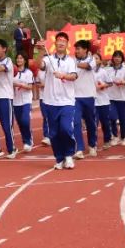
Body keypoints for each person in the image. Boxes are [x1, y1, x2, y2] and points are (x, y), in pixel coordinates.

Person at [37, 33, 78, 170]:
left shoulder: (70, 61)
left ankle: (69, 155)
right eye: (58, 41)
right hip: (50, 101)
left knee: (66, 129)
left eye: (63, 41)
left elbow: (74, 76)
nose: (61, 43)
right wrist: (41, 51)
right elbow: (39, 65)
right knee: (53, 133)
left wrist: (63, 75)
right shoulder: (48, 59)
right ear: (55, 43)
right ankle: (59, 158)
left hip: (67, 102)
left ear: (67, 44)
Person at [72, 40, 98, 158]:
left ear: (85, 50)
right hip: (75, 97)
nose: (76, 51)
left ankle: (92, 144)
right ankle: (79, 148)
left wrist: (73, 64)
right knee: (76, 122)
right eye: (76, 49)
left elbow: (87, 66)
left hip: (89, 96)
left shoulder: (91, 59)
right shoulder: (72, 60)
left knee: (90, 122)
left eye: (79, 49)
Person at [105, 51, 125, 148]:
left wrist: (122, 82)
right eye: (115, 56)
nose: (117, 58)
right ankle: (115, 136)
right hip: (110, 97)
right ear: (112, 58)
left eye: (119, 57)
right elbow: (106, 82)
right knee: (112, 117)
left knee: (122, 119)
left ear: (122, 59)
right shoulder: (108, 70)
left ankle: (123, 137)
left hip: (122, 97)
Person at [12, 53, 35, 152]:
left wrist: (20, 85)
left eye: (21, 58)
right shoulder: (12, 72)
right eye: (17, 58)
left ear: (25, 60)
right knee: (20, 123)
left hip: (26, 100)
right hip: (15, 101)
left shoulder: (28, 73)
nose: (19, 60)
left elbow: (30, 87)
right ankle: (25, 140)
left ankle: (28, 141)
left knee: (25, 121)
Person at [93, 53, 115, 150]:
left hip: (103, 101)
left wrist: (102, 85)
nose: (94, 60)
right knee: (93, 123)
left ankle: (107, 140)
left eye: (96, 58)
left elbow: (110, 83)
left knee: (105, 122)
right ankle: (93, 143)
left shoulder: (103, 71)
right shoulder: (88, 71)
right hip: (93, 101)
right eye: (93, 58)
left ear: (100, 61)